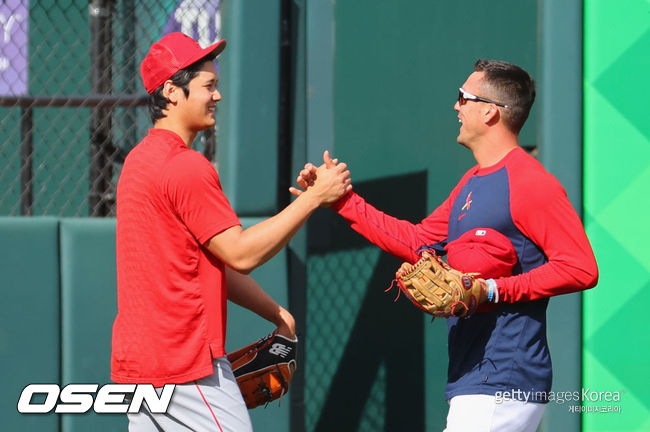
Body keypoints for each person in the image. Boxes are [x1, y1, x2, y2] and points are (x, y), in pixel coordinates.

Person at [291, 59, 598, 432]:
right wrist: (341, 201)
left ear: (489, 111)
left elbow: (580, 267)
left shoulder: (531, 183)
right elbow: (418, 241)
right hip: (473, 376)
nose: (456, 106)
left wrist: (494, 290)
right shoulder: (471, 181)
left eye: (463, 97)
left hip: (504, 377)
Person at [111, 32, 351, 432]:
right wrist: (312, 200)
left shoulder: (138, 162)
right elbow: (241, 253)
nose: (217, 96)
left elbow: (212, 264)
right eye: (208, 86)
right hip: (186, 364)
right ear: (172, 91)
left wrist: (277, 314)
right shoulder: (185, 166)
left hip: (141, 365)